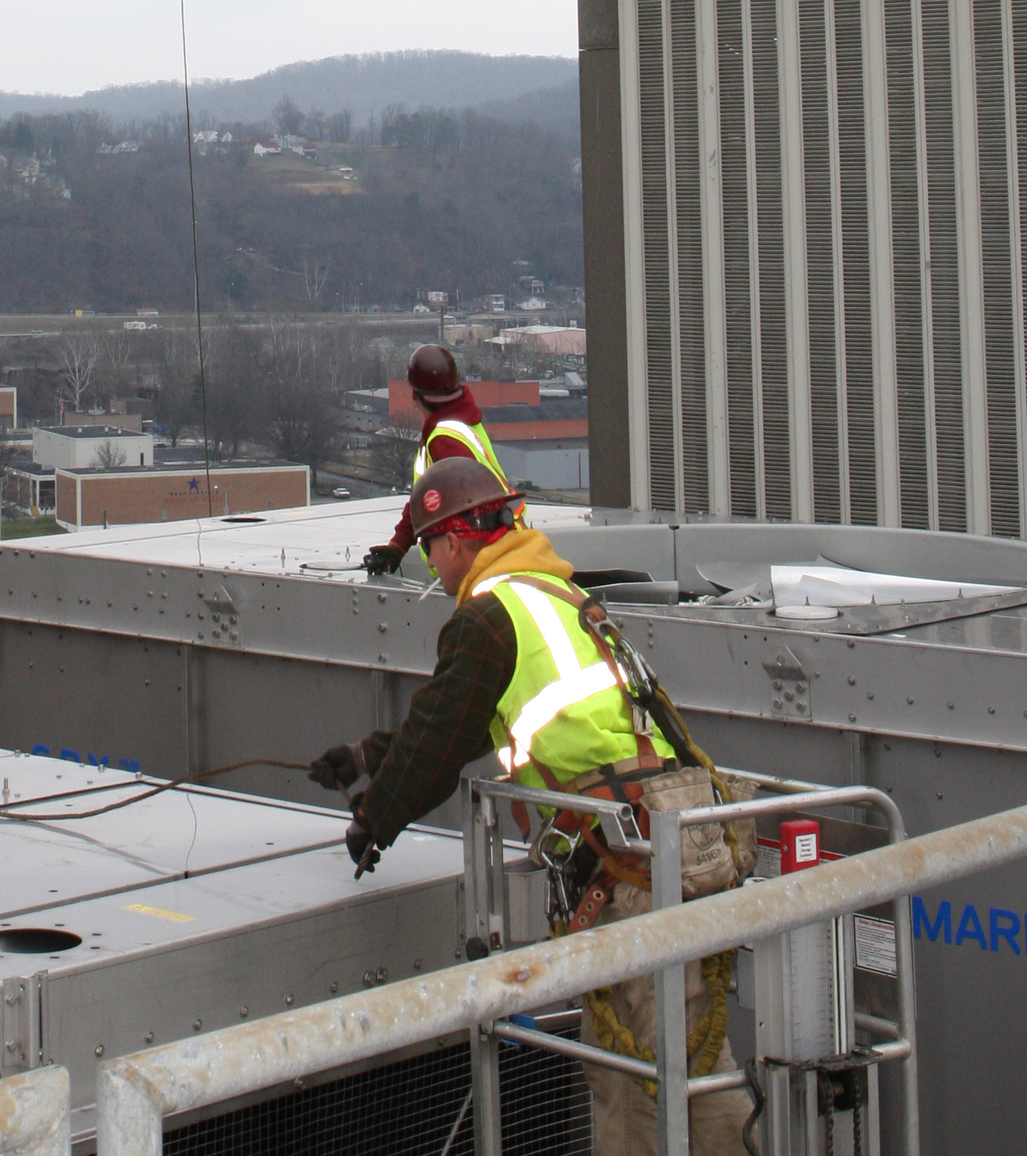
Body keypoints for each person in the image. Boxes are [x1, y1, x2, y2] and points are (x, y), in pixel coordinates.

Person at [312, 460, 749, 1156]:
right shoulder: (551, 594)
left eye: (429, 548)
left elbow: (440, 740)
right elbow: (473, 718)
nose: (431, 565)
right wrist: (366, 758)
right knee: (692, 1054)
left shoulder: (487, 617)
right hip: (666, 840)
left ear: (455, 541)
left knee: (636, 1074)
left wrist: (375, 820)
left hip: (624, 863)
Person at [364, 343, 516, 578]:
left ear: (416, 395)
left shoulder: (443, 440)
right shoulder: (463, 423)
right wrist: (399, 544)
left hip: (475, 569)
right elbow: (427, 497)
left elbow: (442, 502)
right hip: (492, 554)